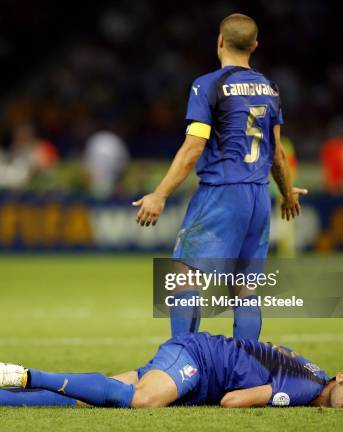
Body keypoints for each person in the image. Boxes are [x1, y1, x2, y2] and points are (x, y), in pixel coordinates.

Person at [132, 13, 307, 340]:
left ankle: (181, 359)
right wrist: (287, 193)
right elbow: (277, 152)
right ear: (255, 45)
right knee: (245, 288)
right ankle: (246, 367)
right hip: (259, 195)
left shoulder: (208, 85)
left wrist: (160, 194)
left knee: (182, 275)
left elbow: (193, 147)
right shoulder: (270, 87)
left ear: (220, 41)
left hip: (223, 193)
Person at [0, 332, 343, 409]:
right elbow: (232, 402)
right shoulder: (307, 390)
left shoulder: (313, 371)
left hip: (201, 359)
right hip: (199, 360)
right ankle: (29, 374)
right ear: (342, 376)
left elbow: (273, 349)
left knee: (91, 396)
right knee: (142, 402)